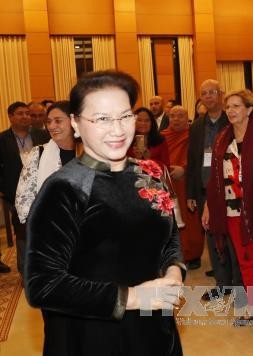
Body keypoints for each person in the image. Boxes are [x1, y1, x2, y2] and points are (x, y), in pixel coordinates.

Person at [24, 70, 186, 356]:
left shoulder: (148, 173)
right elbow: (42, 285)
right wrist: (134, 297)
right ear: (76, 123)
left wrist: (173, 270)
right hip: (91, 335)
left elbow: (169, 235)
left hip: (153, 325)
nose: (118, 129)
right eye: (102, 119)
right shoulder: (65, 188)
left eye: (125, 116)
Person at [203, 89, 253, 336]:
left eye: (237, 105)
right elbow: (216, 178)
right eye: (229, 107)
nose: (231, 110)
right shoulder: (222, 138)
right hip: (231, 210)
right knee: (245, 262)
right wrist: (208, 205)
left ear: (249, 109)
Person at [186, 79, 242, 299]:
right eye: (204, 93)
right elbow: (192, 159)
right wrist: (191, 192)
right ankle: (222, 283)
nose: (208, 96)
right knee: (212, 237)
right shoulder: (197, 125)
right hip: (203, 190)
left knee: (231, 237)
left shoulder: (232, 121)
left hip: (229, 189)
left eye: (212, 92)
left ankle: (239, 285)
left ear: (221, 94)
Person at [14, 100, 77, 275]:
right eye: (48, 121)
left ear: (73, 121)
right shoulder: (38, 154)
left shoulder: (90, 152)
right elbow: (24, 200)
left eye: (58, 121)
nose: (52, 126)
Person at [0, 102, 49, 274]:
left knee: (45, 230)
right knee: (22, 233)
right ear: (10, 116)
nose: (25, 117)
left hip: (43, 190)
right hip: (17, 194)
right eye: (20, 113)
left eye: (27, 113)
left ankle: (47, 266)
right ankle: (26, 271)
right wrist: (5, 190)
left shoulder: (43, 135)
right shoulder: (2, 139)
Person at [161, 105, 205, 270]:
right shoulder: (162, 136)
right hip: (168, 183)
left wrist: (184, 170)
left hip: (188, 183)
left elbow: (198, 158)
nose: (176, 119)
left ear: (187, 118)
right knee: (171, 220)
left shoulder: (193, 135)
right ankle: (174, 255)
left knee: (190, 219)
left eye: (180, 116)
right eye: (173, 116)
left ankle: (193, 254)